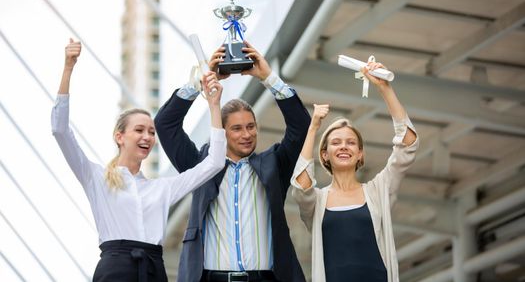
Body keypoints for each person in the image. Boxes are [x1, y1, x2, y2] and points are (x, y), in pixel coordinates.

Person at [52, 39, 227, 282]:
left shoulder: (162, 188)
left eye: (152, 132)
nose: (147, 137)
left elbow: (215, 162)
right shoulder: (96, 177)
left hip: (154, 270)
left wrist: (214, 106)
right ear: (119, 136)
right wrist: (68, 68)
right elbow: (60, 130)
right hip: (115, 271)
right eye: (140, 130)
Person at [154, 43, 310, 282]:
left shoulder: (274, 164)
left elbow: (300, 124)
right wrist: (199, 83)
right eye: (236, 129)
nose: (246, 134)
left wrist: (268, 78)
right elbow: (165, 124)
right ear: (222, 132)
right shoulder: (200, 166)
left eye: (250, 127)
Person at [291, 60, 419, 282]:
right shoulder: (317, 201)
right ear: (324, 154)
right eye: (336, 142)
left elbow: (408, 145)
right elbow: (301, 186)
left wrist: (385, 88)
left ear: (360, 153)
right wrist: (313, 127)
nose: (343, 146)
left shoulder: (378, 190)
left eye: (351, 143)